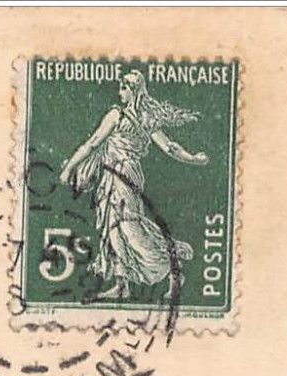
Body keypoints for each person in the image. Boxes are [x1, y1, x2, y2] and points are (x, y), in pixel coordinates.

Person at [58, 69, 210, 301]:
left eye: (124, 86)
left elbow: (92, 144)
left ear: (134, 90)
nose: (120, 91)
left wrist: (69, 168)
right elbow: (170, 147)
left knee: (128, 227)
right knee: (114, 229)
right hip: (116, 176)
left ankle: (173, 266)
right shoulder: (143, 119)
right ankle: (122, 285)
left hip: (122, 176)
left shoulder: (117, 116)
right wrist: (192, 158)